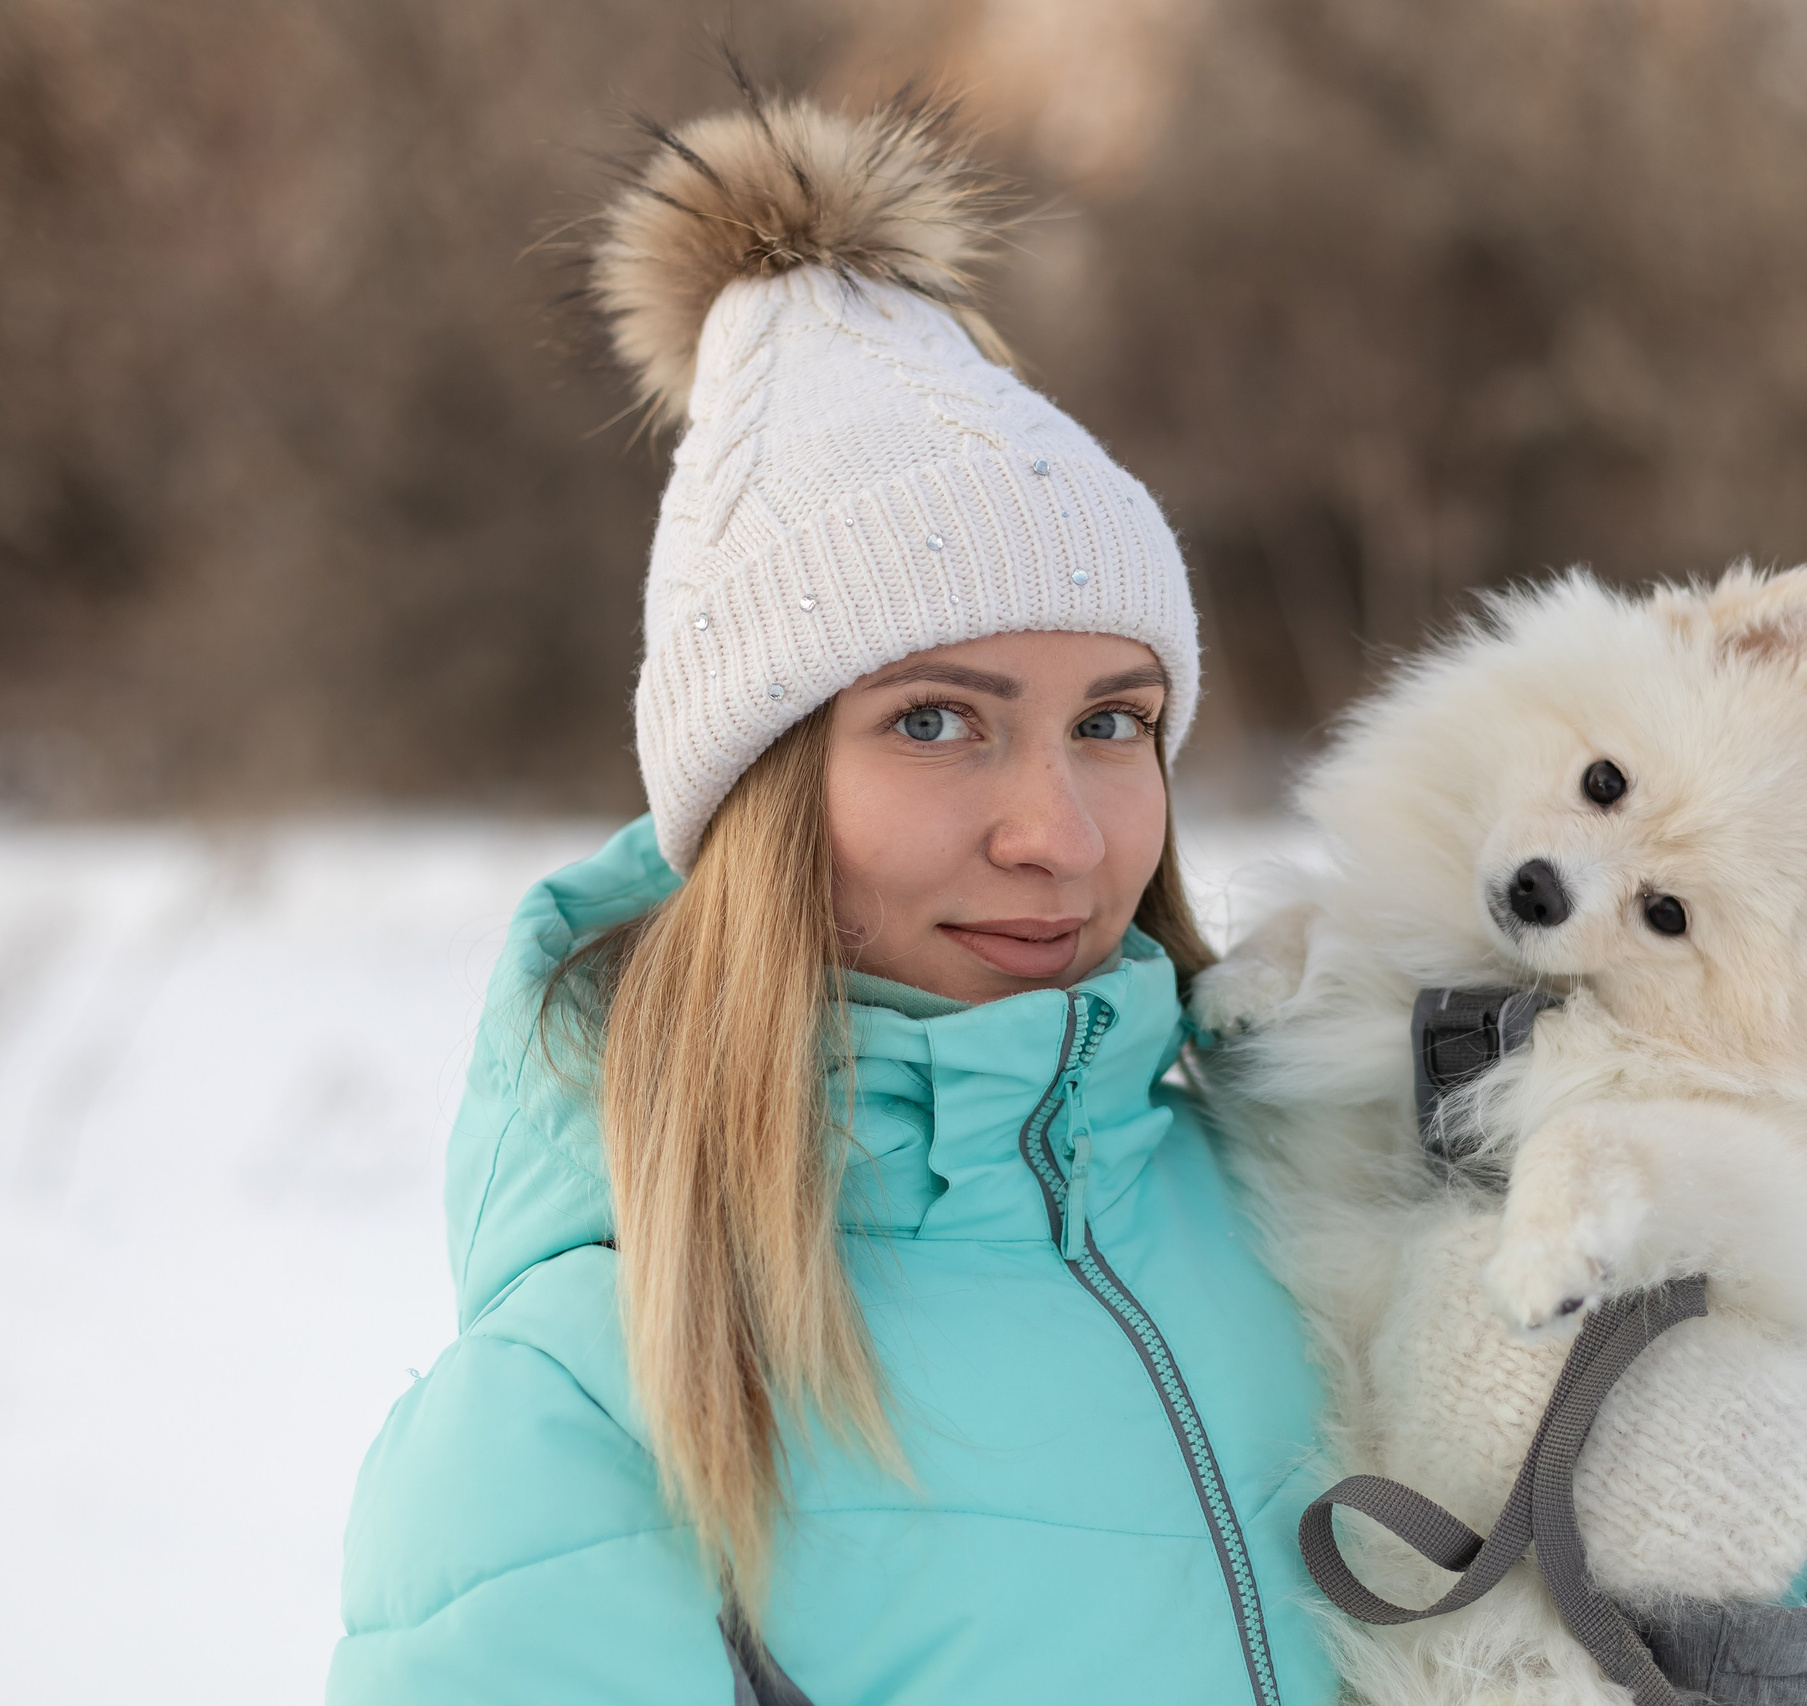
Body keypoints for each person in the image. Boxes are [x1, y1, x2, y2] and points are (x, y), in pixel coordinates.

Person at [328, 92, 1335, 1706]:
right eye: (936, 721)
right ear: (759, 790)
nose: (1061, 835)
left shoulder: (1323, 1216)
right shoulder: (578, 1415)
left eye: (1113, 722)